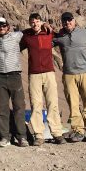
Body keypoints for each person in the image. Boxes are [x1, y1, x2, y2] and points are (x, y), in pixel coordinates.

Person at [21, 13, 65, 146]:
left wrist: (47, 25)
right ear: (29, 23)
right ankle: (39, 135)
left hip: (49, 73)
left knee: (53, 103)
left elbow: (61, 35)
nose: (35, 24)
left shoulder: (48, 33)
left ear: (41, 22)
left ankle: (57, 133)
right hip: (34, 74)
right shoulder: (26, 36)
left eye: (37, 21)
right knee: (36, 104)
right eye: (32, 22)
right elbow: (15, 39)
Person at [0, 17, 29, 148]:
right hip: (1, 77)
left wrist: (43, 24)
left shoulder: (16, 36)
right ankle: (5, 137)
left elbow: (30, 31)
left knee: (19, 108)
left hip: (15, 75)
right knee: (2, 108)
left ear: (8, 27)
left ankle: (22, 137)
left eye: (3, 26)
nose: (1, 28)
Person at [53, 12, 86, 142]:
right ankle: (78, 131)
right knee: (73, 103)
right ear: (62, 23)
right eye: (65, 21)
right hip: (69, 74)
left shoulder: (84, 32)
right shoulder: (59, 37)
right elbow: (44, 44)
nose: (67, 23)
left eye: (69, 20)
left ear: (74, 21)